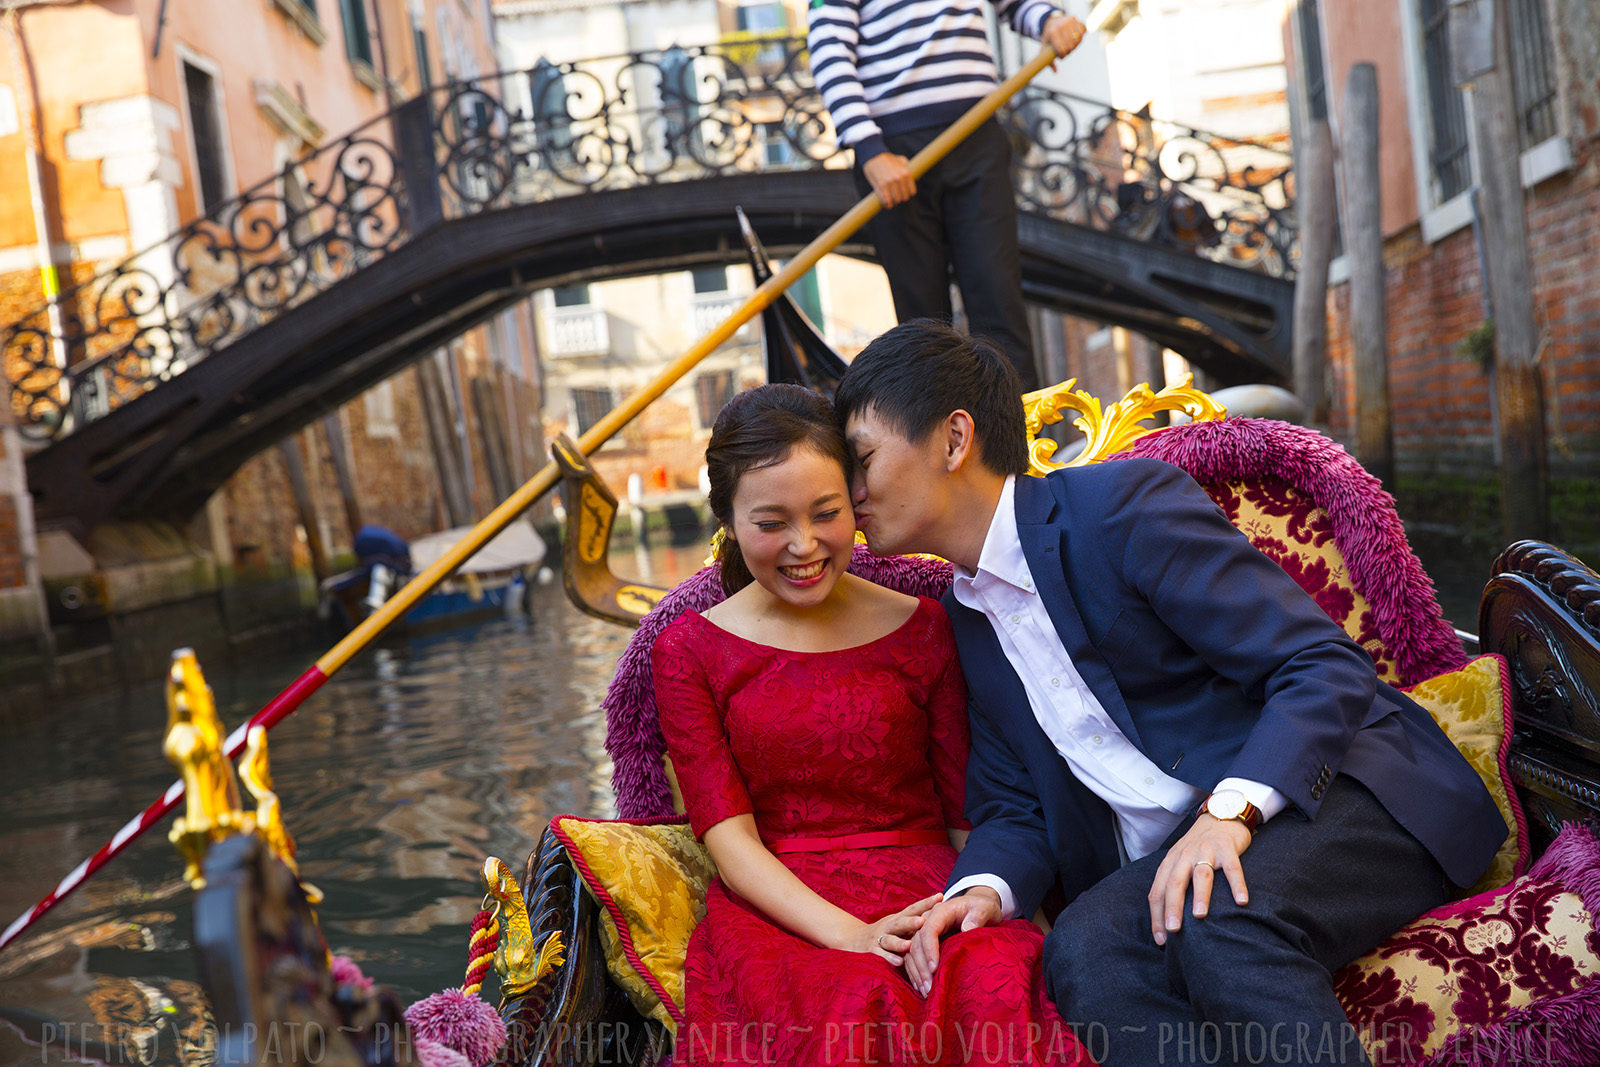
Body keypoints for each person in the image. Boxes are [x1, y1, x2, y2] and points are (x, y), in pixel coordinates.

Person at [833, 321, 1509, 1067]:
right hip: (1177, 854)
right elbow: (1012, 804)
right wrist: (985, 888)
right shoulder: (965, 615)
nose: (852, 493)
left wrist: (1228, 814)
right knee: (1086, 954)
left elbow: (1319, 664)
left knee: (1221, 913)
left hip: (1347, 787)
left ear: (954, 439)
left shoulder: (1117, 507)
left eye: (861, 459)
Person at [652, 384, 1092, 1065]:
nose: (803, 545)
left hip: (930, 885)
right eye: (771, 524)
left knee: (993, 974)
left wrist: (1007, 912)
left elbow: (964, 806)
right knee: (857, 995)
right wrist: (851, 934)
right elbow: (730, 843)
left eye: (825, 513)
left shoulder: (926, 624)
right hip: (784, 904)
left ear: (854, 502)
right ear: (729, 522)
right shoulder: (687, 651)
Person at [805, 0, 1088, 392]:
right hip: (895, 153)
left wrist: (1050, 20)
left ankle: (1023, 445)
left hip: (976, 134)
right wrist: (869, 150)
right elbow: (829, 44)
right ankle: (938, 448)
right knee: (924, 329)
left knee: (999, 304)